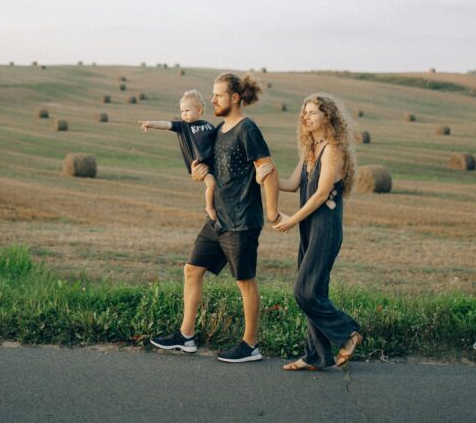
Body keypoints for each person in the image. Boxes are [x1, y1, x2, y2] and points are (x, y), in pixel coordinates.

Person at [150, 73, 281, 363]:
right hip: (218, 219)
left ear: (235, 98)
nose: (212, 100)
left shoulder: (248, 129)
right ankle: (186, 336)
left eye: (218, 95)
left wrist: (272, 213)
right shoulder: (220, 130)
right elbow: (212, 170)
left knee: (245, 281)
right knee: (191, 269)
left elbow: (268, 170)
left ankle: (250, 345)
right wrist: (201, 175)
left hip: (242, 220)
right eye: (212, 94)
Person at [258, 93, 363, 370]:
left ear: (327, 116)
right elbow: (292, 184)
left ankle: (349, 332)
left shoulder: (333, 149)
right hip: (309, 227)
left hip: (325, 229)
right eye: (304, 112)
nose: (305, 117)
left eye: (312, 112)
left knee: (304, 292)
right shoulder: (310, 150)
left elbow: (319, 195)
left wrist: (291, 220)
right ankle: (316, 356)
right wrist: (265, 177)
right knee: (316, 292)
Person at [140, 89, 218, 223]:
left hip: (213, 162)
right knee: (211, 184)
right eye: (182, 111)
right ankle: (209, 207)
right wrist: (150, 123)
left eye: (187, 110)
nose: (184, 114)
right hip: (200, 165)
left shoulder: (209, 125)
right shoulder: (183, 126)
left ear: (199, 110)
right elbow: (166, 124)